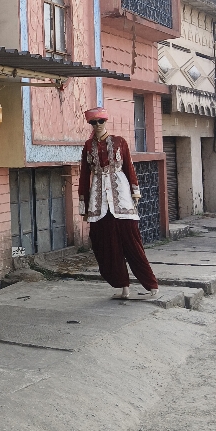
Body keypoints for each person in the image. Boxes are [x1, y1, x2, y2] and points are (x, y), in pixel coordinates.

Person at [78, 107, 159, 300]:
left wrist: (135, 190)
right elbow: (84, 175)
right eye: (93, 122)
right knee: (106, 246)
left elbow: (129, 167)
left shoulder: (119, 142)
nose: (97, 125)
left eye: (100, 121)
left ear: (105, 121)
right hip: (99, 201)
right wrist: (84, 204)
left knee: (132, 242)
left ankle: (151, 285)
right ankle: (123, 287)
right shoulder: (88, 146)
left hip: (121, 197)